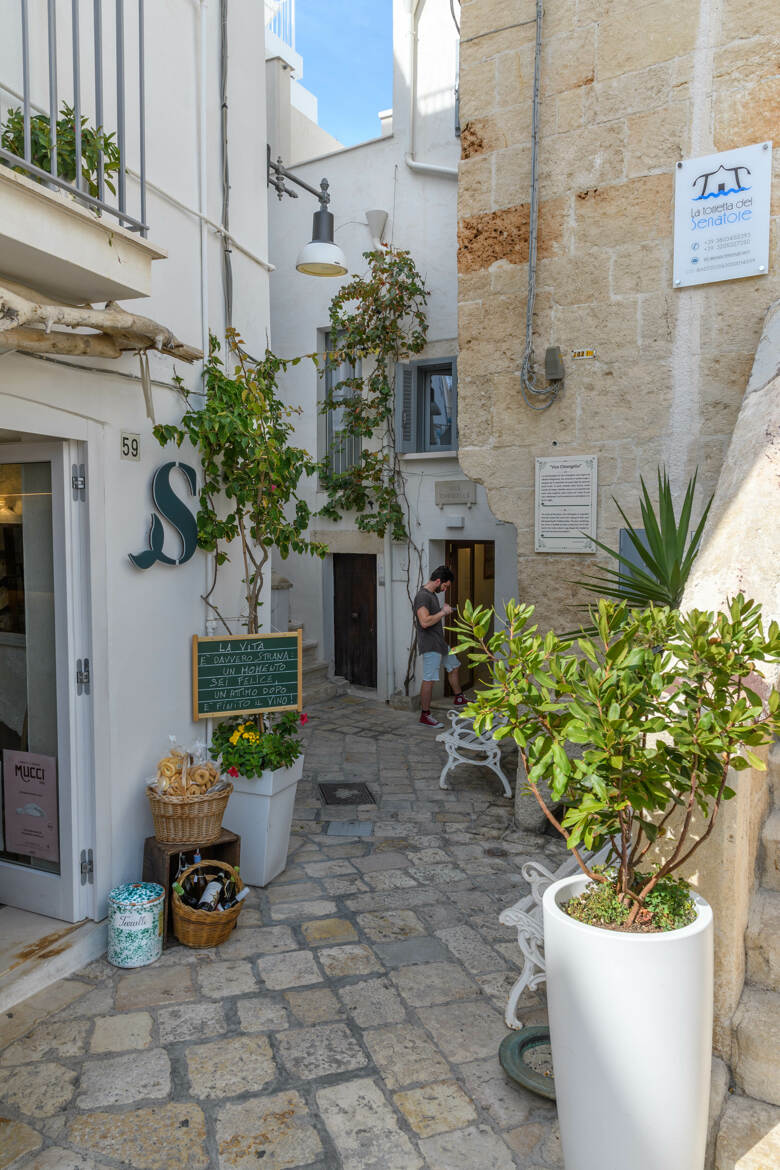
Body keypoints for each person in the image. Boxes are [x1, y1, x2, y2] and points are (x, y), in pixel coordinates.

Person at [413, 565, 467, 728]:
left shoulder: (431, 595)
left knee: (454, 666)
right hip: (430, 645)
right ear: (438, 581)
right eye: (445, 586)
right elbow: (424, 621)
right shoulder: (422, 597)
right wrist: (443, 612)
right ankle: (425, 715)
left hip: (440, 643)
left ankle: (458, 697)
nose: (445, 589)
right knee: (429, 680)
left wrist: (442, 610)